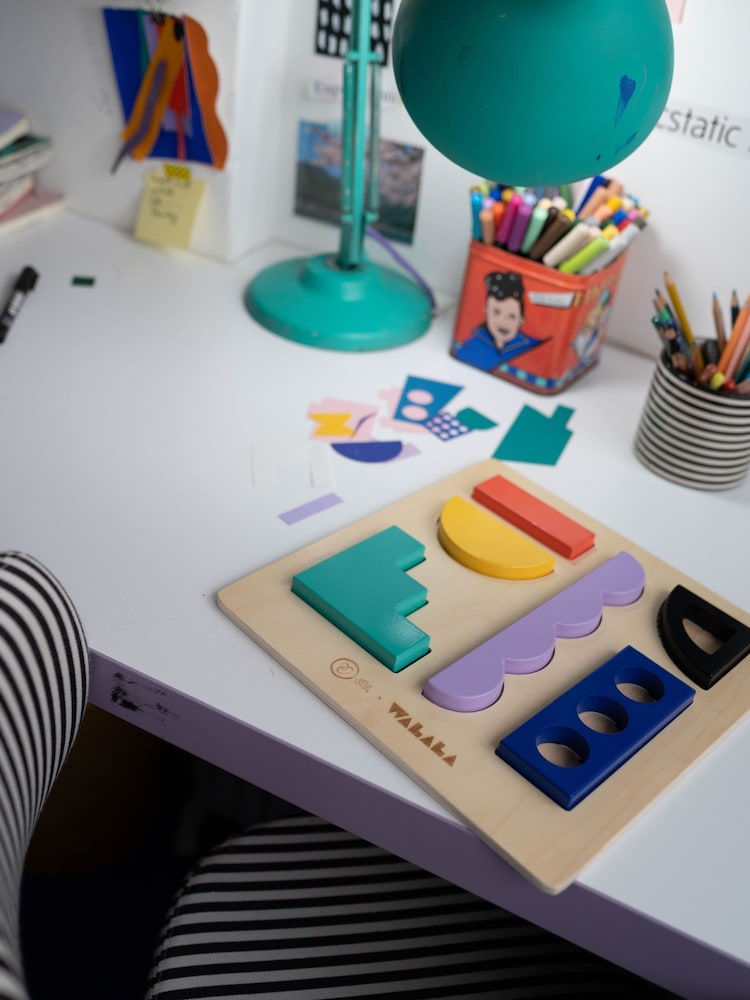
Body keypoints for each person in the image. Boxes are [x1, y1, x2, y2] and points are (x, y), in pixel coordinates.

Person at [454, 269, 547, 372]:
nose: (503, 322)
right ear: (486, 311)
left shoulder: (532, 346)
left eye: (511, 316)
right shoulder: (472, 342)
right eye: (496, 312)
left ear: (521, 320)